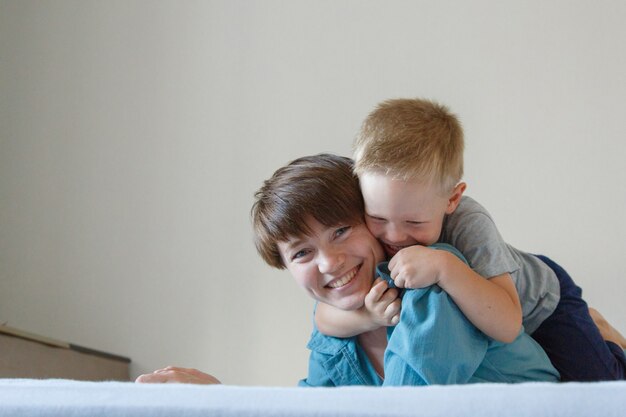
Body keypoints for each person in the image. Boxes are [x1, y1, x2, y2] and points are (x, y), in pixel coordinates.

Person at [137, 154, 559, 386]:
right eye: (302, 254)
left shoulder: (430, 277)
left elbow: (412, 405)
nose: (330, 262)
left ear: (375, 223)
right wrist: (219, 399)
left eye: (341, 230)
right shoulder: (332, 336)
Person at [314, 98, 626, 382]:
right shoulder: (369, 220)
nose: (394, 235)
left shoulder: (468, 221)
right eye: (379, 219)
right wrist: (367, 317)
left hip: (537, 302)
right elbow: (324, 318)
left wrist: (444, 267)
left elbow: (507, 324)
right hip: (491, 319)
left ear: (452, 198)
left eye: (414, 222)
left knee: (602, 386)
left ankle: (607, 339)